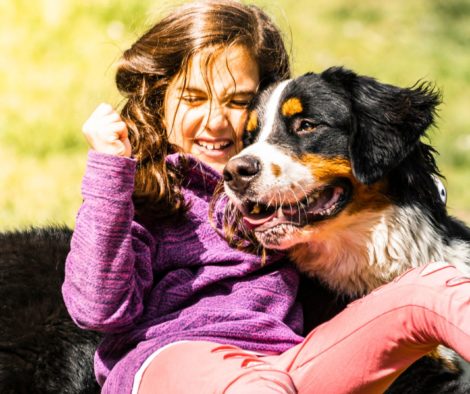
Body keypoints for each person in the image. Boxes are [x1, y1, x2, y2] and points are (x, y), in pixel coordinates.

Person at [62, 1, 470, 393]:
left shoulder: (271, 201)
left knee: (427, 290)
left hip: (288, 362)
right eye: (193, 98)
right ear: (158, 100)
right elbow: (97, 309)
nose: (217, 121)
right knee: (254, 384)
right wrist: (109, 171)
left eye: (239, 102)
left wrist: (414, 189)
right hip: (174, 359)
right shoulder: (139, 197)